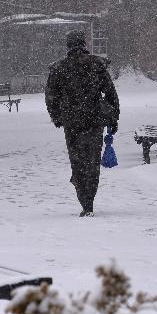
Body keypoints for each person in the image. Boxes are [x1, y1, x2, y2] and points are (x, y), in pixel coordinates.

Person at [46, 29, 120, 216]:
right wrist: (114, 117)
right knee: (92, 161)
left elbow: (50, 96)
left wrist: (57, 117)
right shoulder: (97, 65)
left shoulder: (59, 68)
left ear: (68, 46)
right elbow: (111, 93)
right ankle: (90, 199)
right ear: (84, 44)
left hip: (72, 122)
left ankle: (84, 199)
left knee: (77, 161)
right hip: (94, 120)